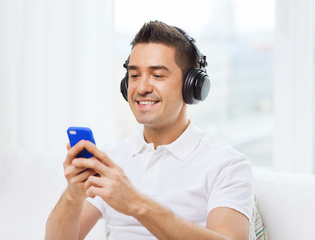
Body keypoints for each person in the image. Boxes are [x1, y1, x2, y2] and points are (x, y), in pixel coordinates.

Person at [45, 20, 253, 240]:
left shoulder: (227, 165)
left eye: (158, 75)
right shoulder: (111, 159)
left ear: (192, 86)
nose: (142, 88)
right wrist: (73, 194)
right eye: (134, 76)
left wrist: (136, 203)